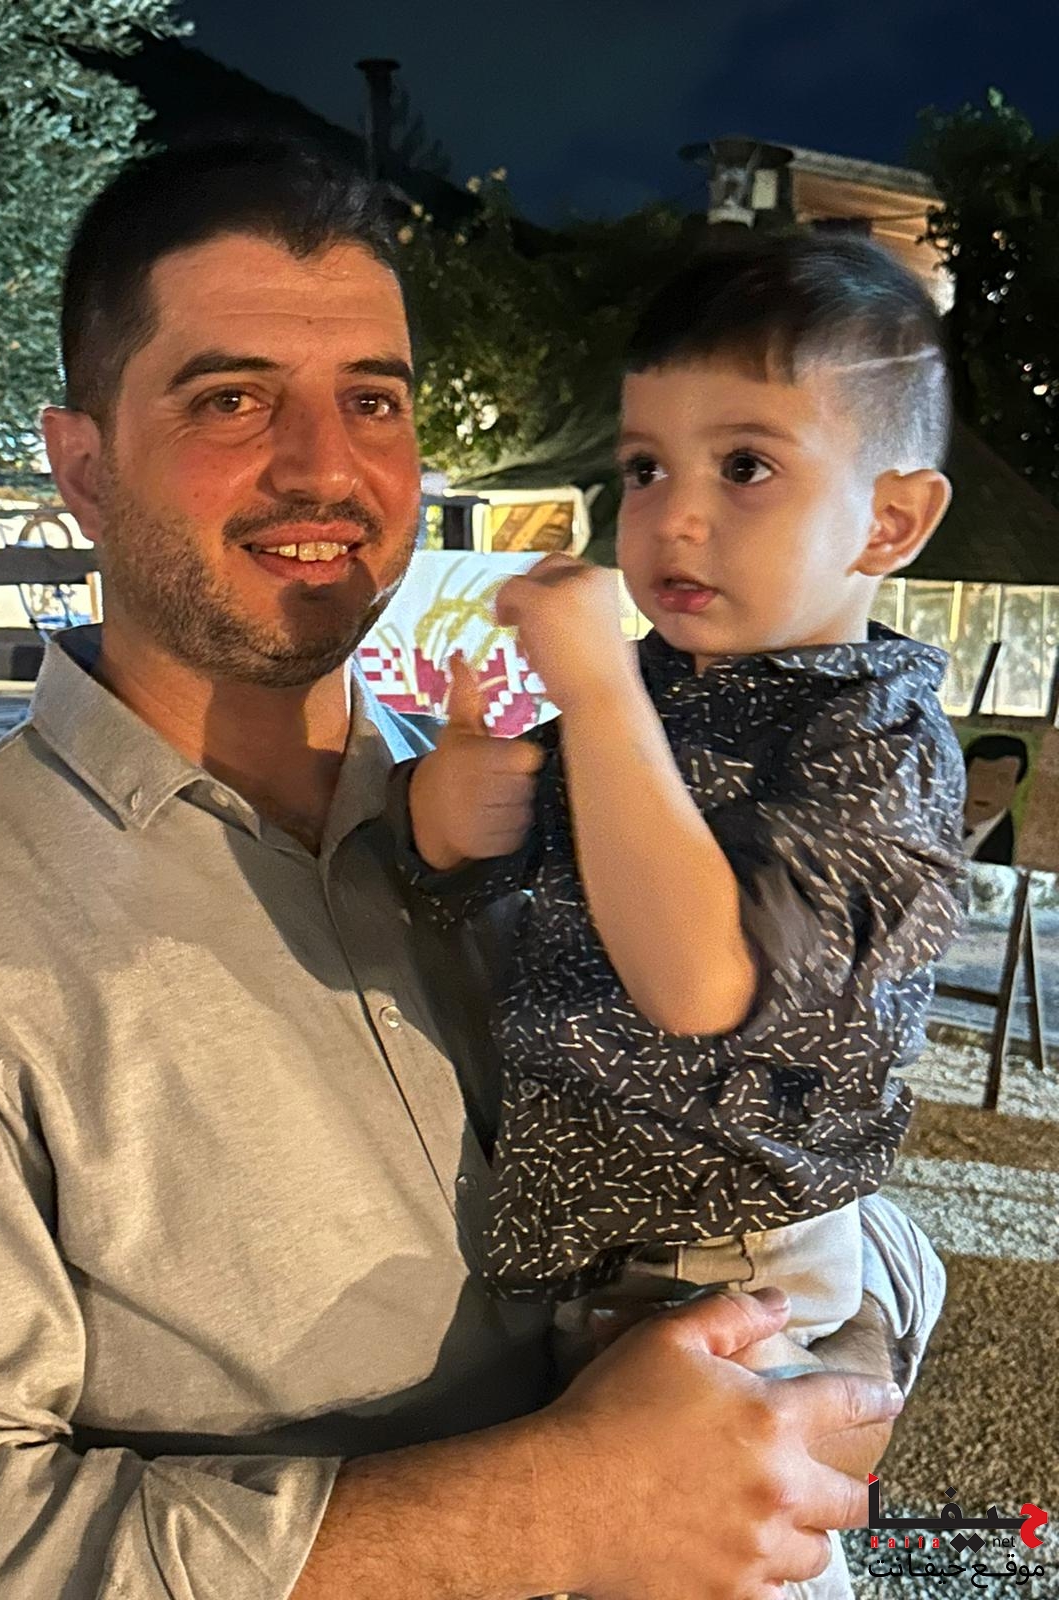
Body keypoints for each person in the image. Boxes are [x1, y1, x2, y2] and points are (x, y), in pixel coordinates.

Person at [0, 142, 932, 1600]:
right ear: (85, 465)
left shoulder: (556, 810)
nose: (324, 465)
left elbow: (818, 1158)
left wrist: (834, 1373)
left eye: (373, 399)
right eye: (231, 398)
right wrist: (559, 1507)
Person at [405, 238, 968, 1594]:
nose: (674, 516)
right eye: (647, 467)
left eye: (747, 466)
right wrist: (460, 807)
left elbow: (705, 983)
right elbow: (486, 890)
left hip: (735, 1275)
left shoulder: (877, 745)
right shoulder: (655, 691)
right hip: (595, 1252)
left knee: (727, 1555)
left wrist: (598, 697)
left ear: (889, 523)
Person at [962, 732, 1029, 865]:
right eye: (980, 775)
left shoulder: (1013, 845)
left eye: (1002, 780)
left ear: (1015, 786)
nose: (987, 788)